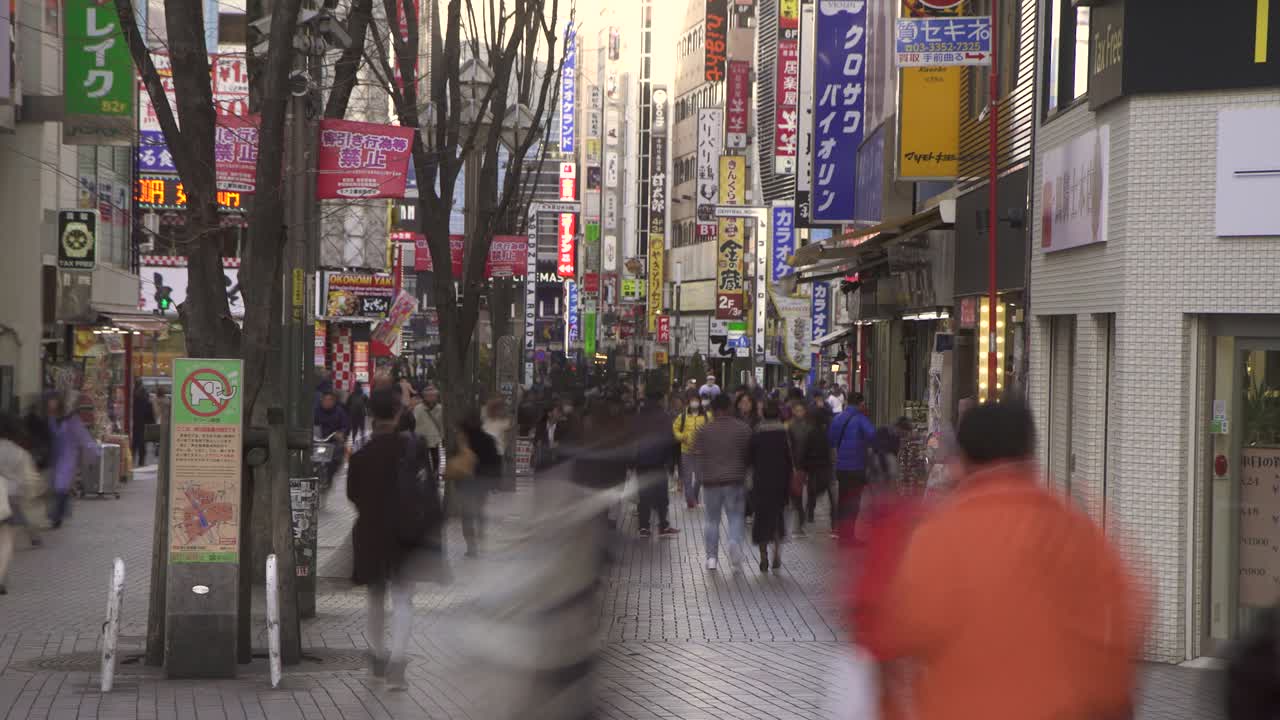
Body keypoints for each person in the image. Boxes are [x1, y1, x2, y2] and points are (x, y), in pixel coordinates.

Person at [850, 402, 1144, 720]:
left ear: (962, 461)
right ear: (1030, 455)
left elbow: (899, 636)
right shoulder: (1081, 533)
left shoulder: (937, 537)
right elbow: (1122, 629)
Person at [346, 387, 445, 690]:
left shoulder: (361, 455)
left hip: (371, 533)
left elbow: (353, 495)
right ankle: (398, 665)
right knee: (403, 598)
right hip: (405, 533)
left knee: (375, 597)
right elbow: (428, 491)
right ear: (399, 412)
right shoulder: (414, 449)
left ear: (370, 414)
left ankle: (377, 657)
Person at [694, 394, 751, 570]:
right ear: (730, 408)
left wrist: (701, 476)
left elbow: (697, 455)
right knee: (735, 517)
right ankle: (734, 542)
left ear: (712, 410)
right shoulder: (743, 429)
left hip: (711, 481)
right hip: (735, 480)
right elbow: (749, 454)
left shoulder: (703, 430)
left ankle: (711, 558)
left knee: (711, 520)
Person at [0, 413, 44, 593]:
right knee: (6, 540)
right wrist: (33, 493)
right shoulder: (20, 453)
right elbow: (29, 479)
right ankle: (0, 578)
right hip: (10, 501)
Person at [749, 401, 792, 571]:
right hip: (780, 482)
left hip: (761, 482)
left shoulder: (757, 433)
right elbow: (790, 459)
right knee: (777, 518)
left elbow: (749, 459)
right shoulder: (785, 434)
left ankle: (763, 557)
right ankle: (776, 554)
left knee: (761, 519)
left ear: (763, 414)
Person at [828, 391, 876, 541]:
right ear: (861, 403)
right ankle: (849, 536)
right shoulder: (861, 419)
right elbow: (873, 436)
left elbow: (831, 439)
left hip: (841, 467)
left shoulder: (838, 418)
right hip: (856, 467)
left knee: (843, 500)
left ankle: (842, 533)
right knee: (853, 502)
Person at [47, 393, 98, 528]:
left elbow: (84, 438)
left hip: (67, 459)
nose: (51, 406)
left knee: (61, 488)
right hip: (55, 459)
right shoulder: (51, 420)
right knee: (58, 488)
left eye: (53, 403)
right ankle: (57, 515)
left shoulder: (72, 421)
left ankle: (57, 516)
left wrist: (94, 452)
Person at [633, 390, 679, 538]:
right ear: (659, 401)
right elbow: (669, 440)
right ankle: (663, 525)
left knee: (644, 495)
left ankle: (643, 527)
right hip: (658, 462)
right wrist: (670, 461)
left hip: (641, 462)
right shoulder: (663, 416)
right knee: (661, 496)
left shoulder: (639, 416)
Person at [457, 411, 501, 557]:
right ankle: (481, 533)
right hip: (482, 482)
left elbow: (454, 461)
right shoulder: (489, 440)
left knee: (467, 514)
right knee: (480, 509)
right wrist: (495, 482)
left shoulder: (462, 441)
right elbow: (496, 462)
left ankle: (471, 546)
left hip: (466, 483)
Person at [798, 403, 836, 534]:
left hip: (813, 467)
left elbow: (804, 451)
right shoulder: (828, 434)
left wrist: (802, 466)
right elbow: (831, 451)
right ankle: (833, 522)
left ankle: (810, 514)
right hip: (825, 467)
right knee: (831, 495)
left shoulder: (810, 433)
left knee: (812, 492)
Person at [672, 390, 710, 508]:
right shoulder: (682, 416)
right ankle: (690, 501)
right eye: (692, 400)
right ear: (688, 402)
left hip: (700, 451)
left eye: (696, 400)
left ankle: (694, 496)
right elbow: (675, 429)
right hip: (686, 451)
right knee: (687, 477)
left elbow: (712, 429)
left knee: (699, 478)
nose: (694, 402)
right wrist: (682, 437)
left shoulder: (707, 416)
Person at [313, 390, 351, 479]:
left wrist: (341, 433)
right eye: (325, 400)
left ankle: (331, 475)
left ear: (334, 401)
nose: (327, 402)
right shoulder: (316, 411)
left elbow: (345, 426)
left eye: (330, 400)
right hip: (319, 440)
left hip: (333, 440)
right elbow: (312, 423)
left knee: (335, 457)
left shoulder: (340, 412)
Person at [413, 386, 445, 479]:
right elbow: (414, 422)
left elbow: (442, 423)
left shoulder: (440, 408)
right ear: (424, 397)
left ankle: (435, 476)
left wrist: (443, 437)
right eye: (429, 396)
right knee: (423, 460)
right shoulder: (418, 408)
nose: (431, 398)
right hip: (422, 438)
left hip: (434, 438)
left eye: (433, 396)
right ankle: (425, 477)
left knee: (436, 459)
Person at [130, 380, 155, 466]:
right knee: (142, 444)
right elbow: (150, 413)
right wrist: (151, 423)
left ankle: (131, 461)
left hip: (134, 423)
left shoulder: (132, 397)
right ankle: (141, 462)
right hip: (143, 424)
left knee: (134, 444)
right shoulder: (146, 398)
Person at [346, 381, 368, 446]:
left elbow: (347, 404)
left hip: (353, 414)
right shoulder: (363, 395)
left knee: (354, 429)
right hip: (361, 414)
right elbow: (367, 404)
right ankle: (363, 442)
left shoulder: (351, 395)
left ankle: (353, 441)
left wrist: (349, 411)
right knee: (362, 428)